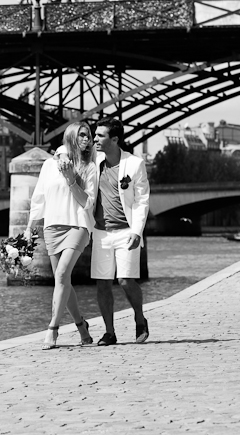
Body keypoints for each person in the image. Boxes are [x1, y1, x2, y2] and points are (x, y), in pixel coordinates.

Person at [24, 122, 98, 350]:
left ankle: (52, 329)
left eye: (89, 135)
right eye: (82, 134)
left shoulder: (90, 167)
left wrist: (70, 179)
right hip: (53, 227)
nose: (87, 138)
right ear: (71, 136)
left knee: (63, 274)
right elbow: (39, 197)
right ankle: (81, 326)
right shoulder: (49, 164)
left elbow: (87, 202)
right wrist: (29, 227)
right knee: (63, 280)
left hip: (78, 226)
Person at [91, 117, 150, 346]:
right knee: (102, 283)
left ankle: (139, 318)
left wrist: (137, 230)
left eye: (100, 135)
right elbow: (70, 150)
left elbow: (142, 200)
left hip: (126, 231)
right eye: (95, 135)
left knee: (125, 280)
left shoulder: (135, 164)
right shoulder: (94, 162)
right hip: (101, 232)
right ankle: (109, 332)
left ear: (115, 139)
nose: (95, 139)